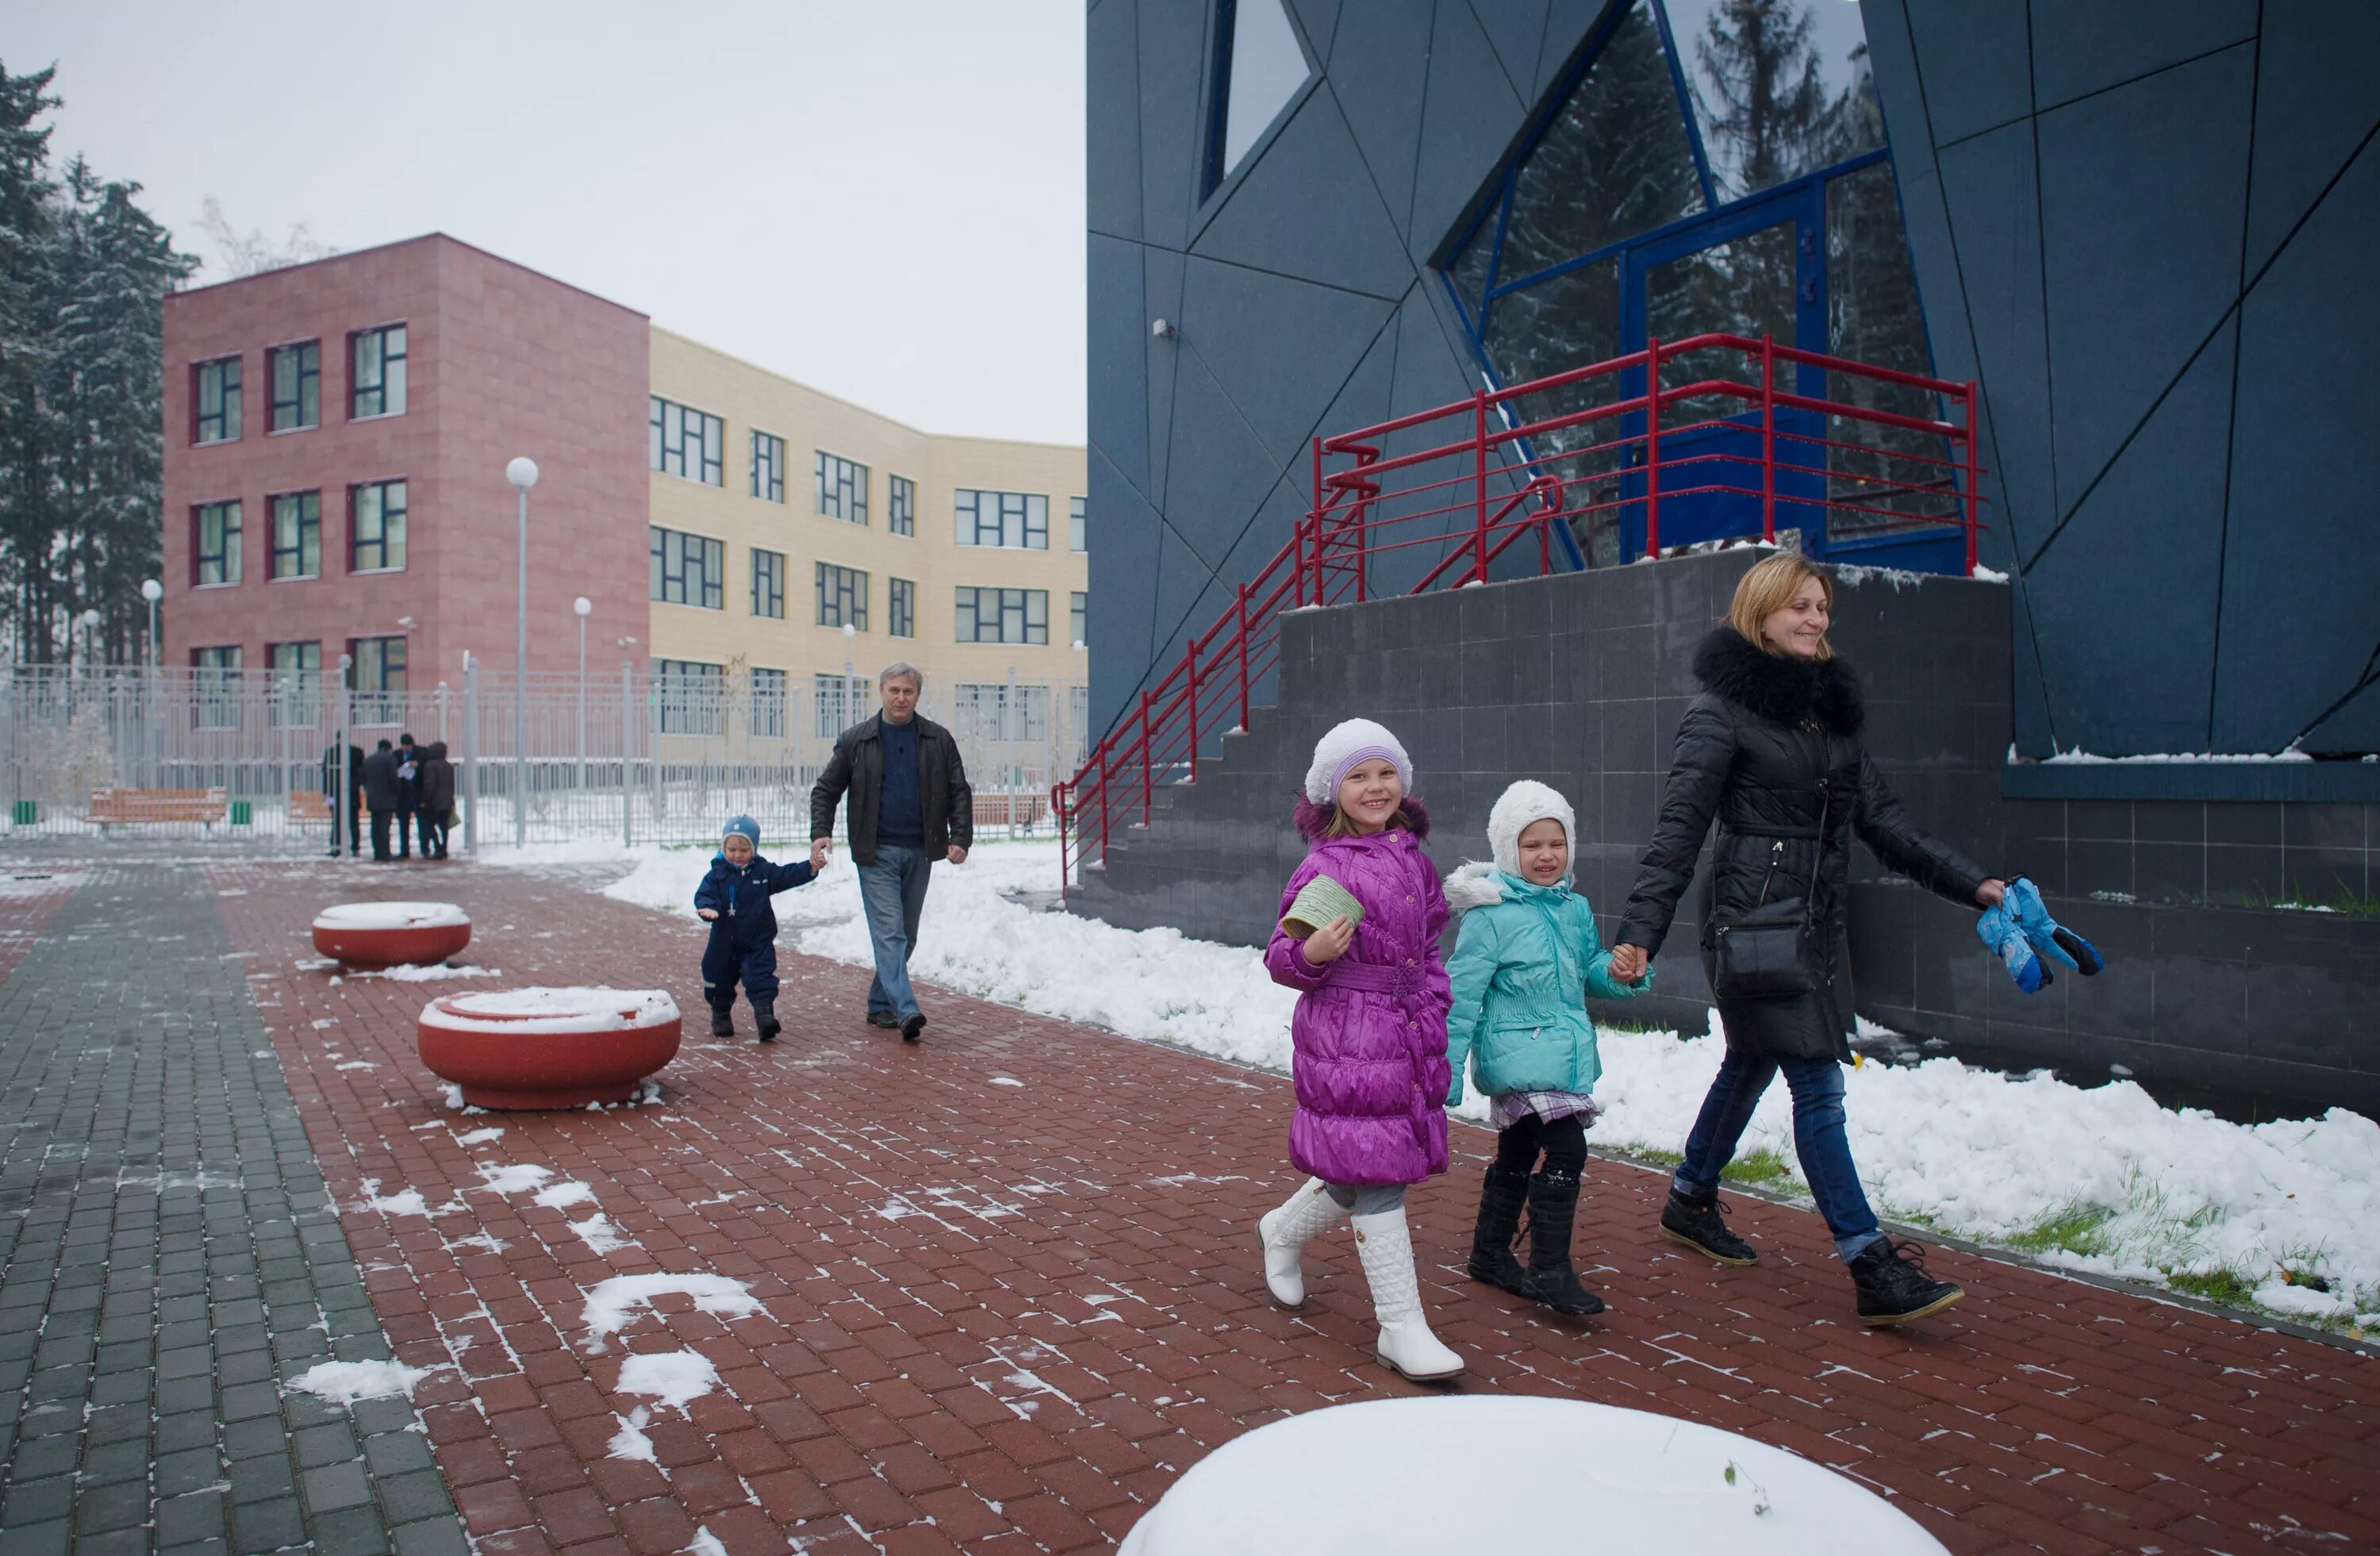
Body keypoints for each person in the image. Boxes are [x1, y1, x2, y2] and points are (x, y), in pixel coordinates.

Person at [1608, 552, 2006, 1327]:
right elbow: (1677, 832)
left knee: (1753, 1058)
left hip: (1811, 926)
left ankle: (1690, 1194)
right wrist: (1639, 935)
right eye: (1800, 606)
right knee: (1817, 1083)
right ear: (1761, 612)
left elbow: (1885, 822)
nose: (1815, 619)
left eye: (1822, 607)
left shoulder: (1829, 717)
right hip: (1751, 926)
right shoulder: (1719, 713)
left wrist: (1976, 883)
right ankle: (1869, 1259)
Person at [1253, 719, 1462, 1381]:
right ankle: (1401, 1327)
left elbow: (1428, 943)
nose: (1375, 787)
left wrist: (1435, 999)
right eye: (1358, 775)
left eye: (1385, 772)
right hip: (1347, 1034)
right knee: (1378, 1178)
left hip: (1406, 1030)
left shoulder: (1416, 860)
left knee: (1355, 1172)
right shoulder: (1324, 864)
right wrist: (1311, 954)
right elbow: (1281, 953)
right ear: (1331, 790)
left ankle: (1281, 1232)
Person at [1442, 780, 1648, 1319]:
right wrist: (1444, 1067)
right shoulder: (1489, 915)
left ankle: (1489, 1253)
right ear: (1509, 851)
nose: (1546, 855)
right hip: (1517, 1056)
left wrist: (1619, 972)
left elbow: (1589, 969)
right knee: (1568, 1150)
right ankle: (1550, 1267)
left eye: (1556, 843)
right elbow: (1460, 996)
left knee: (1518, 1149)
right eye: (1532, 845)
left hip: (1561, 1054)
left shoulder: (1573, 908)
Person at [809, 664, 972, 1043]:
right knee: (890, 935)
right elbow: (825, 790)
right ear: (881, 692)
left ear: (918, 695)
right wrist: (822, 833)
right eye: (894, 690)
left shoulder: (938, 739)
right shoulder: (856, 740)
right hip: (875, 851)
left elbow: (958, 790)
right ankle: (906, 1009)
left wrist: (960, 836)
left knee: (907, 935)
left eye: (909, 692)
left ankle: (880, 1002)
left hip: (921, 850)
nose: (901, 698)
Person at [694, 815, 825, 1042]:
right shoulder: (717, 875)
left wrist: (810, 868)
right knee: (718, 978)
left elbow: (786, 875)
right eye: (732, 849)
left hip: (757, 940)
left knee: (761, 977)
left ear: (754, 848)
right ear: (723, 847)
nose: (737, 855)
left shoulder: (762, 872)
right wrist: (708, 908)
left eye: (744, 850)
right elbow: (704, 895)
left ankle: (765, 1018)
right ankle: (721, 1014)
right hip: (724, 941)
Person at [320, 732, 363, 857]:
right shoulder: (355, 752)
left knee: (339, 821)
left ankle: (337, 847)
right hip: (350, 793)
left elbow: (326, 774)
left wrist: (326, 792)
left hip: (337, 792)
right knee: (351, 821)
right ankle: (352, 848)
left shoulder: (332, 752)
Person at [360, 740, 402, 863]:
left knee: (375, 826)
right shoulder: (390, 760)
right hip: (387, 798)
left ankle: (377, 852)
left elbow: (363, 779)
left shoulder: (368, 760)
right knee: (385, 826)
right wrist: (396, 793)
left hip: (373, 798)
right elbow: (394, 779)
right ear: (389, 748)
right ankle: (385, 853)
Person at [416, 740, 455, 859]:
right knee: (444, 826)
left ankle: (437, 847)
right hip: (446, 802)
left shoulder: (430, 765)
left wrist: (424, 800)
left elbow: (429, 785)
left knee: (430, 825)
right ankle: (444, 848)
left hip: (434, 802)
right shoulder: (448, 766)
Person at [394, 733, 420, 859]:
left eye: (408, 746)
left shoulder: (420, 752)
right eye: (404, 746)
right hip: (402, 795)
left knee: (422, 823)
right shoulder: (396, 754)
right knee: (403, 825)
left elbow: (423, 765)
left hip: (417, 793)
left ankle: (425, 849)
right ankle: (404, 850)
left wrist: (417, 764)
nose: (406, 748)